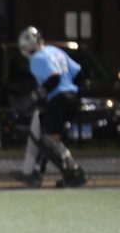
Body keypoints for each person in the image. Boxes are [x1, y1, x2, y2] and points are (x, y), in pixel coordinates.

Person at [18, 26, 86, 187]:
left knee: (48, 140)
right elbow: (79, 73)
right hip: (71, 97)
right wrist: (76, 93)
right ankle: (43, 173)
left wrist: (34, 96)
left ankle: (73, 171)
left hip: (58, 99)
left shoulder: (37, 59)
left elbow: (53, 78)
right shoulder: (55, 51)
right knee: (52, 138)